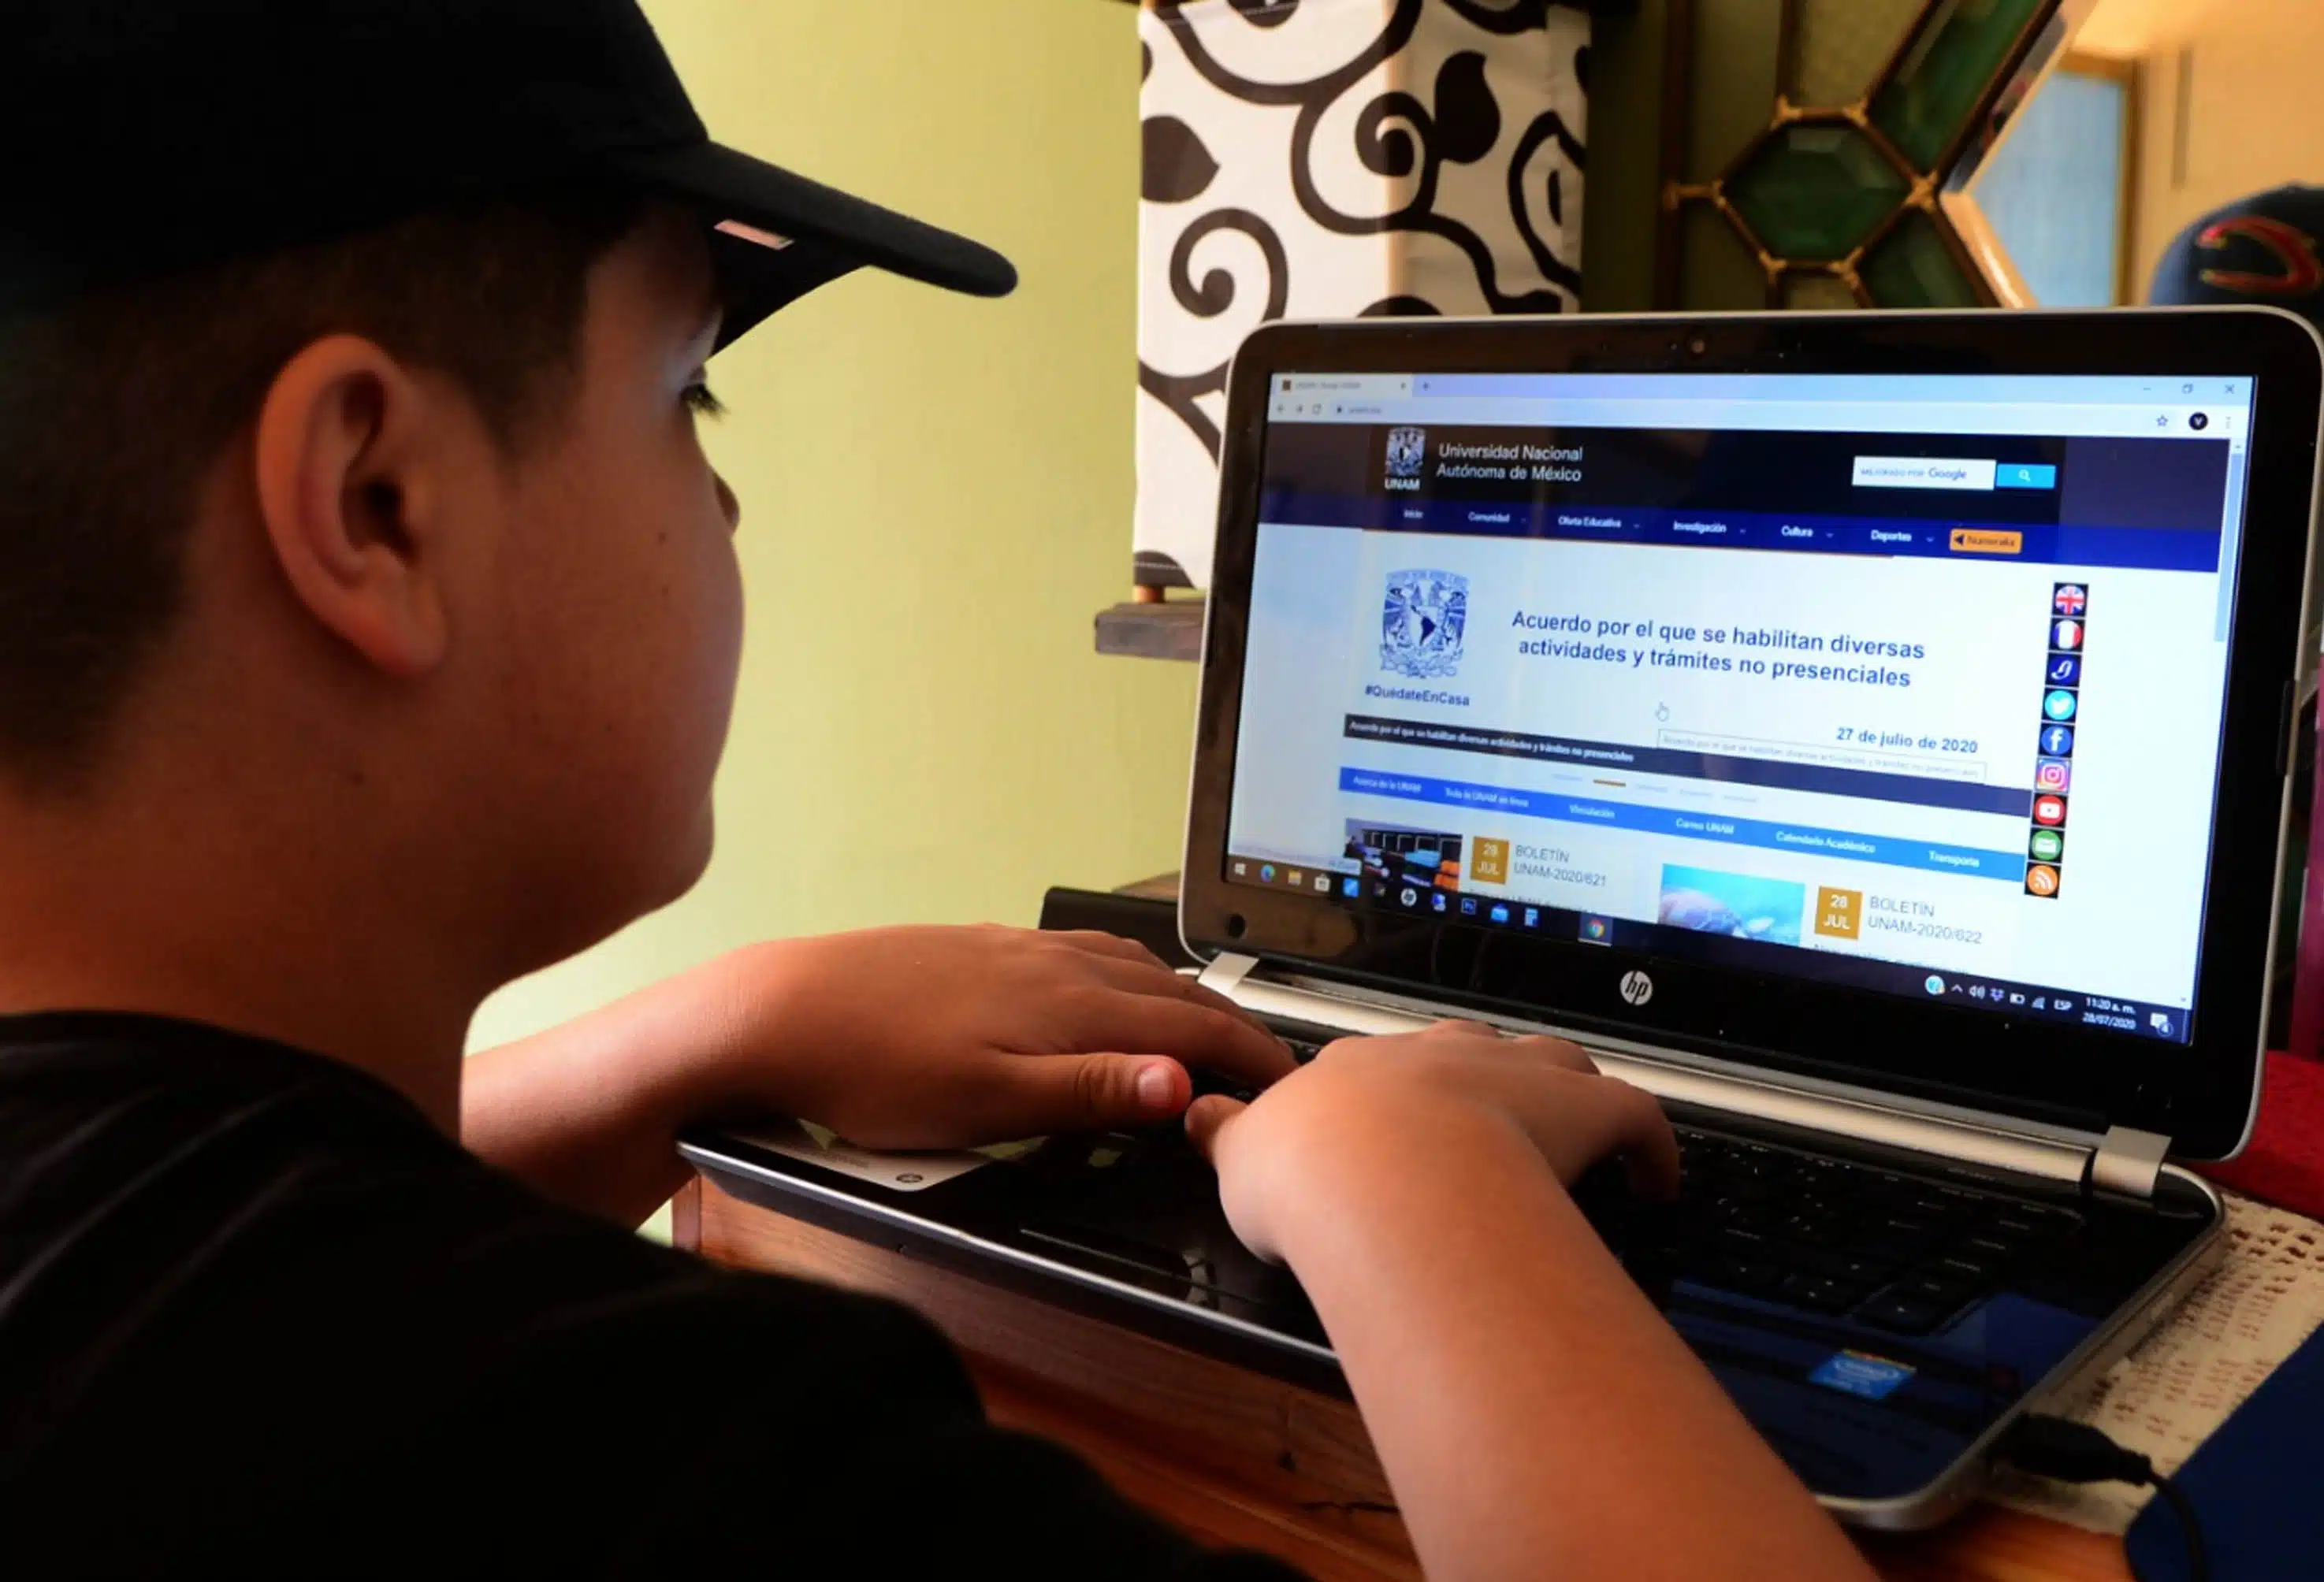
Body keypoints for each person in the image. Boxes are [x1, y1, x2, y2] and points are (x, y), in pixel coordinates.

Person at [0, 4, 1875, 1579]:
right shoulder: (670, 1467)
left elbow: (183, 1230)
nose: (721, 505)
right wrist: (1410, 1180)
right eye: (682, 397)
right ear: (373, 505)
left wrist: (699, 1040)